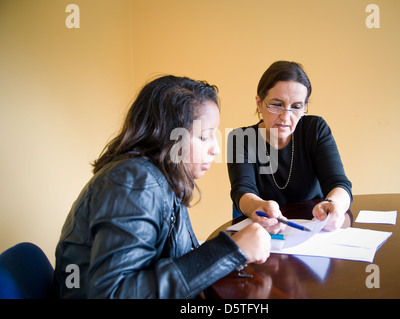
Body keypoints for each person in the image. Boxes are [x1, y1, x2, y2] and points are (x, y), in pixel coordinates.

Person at [54, 75, 271, 299]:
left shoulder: (163, 178)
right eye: (205, 137)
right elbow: (114, 294)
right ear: (169, 138)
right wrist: (230, 250)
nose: (215, 149)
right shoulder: (136, 183)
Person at [227, 61, 352, 233]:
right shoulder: (241, 138)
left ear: (304, 108)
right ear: (259, 103)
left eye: (296, 107)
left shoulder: (315, 129)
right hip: (265, 232)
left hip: (315, 228)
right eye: (277, 105)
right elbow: (242, 190)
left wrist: (334, 205)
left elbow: (339, 183)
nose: (286, 117)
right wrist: (258, 205)